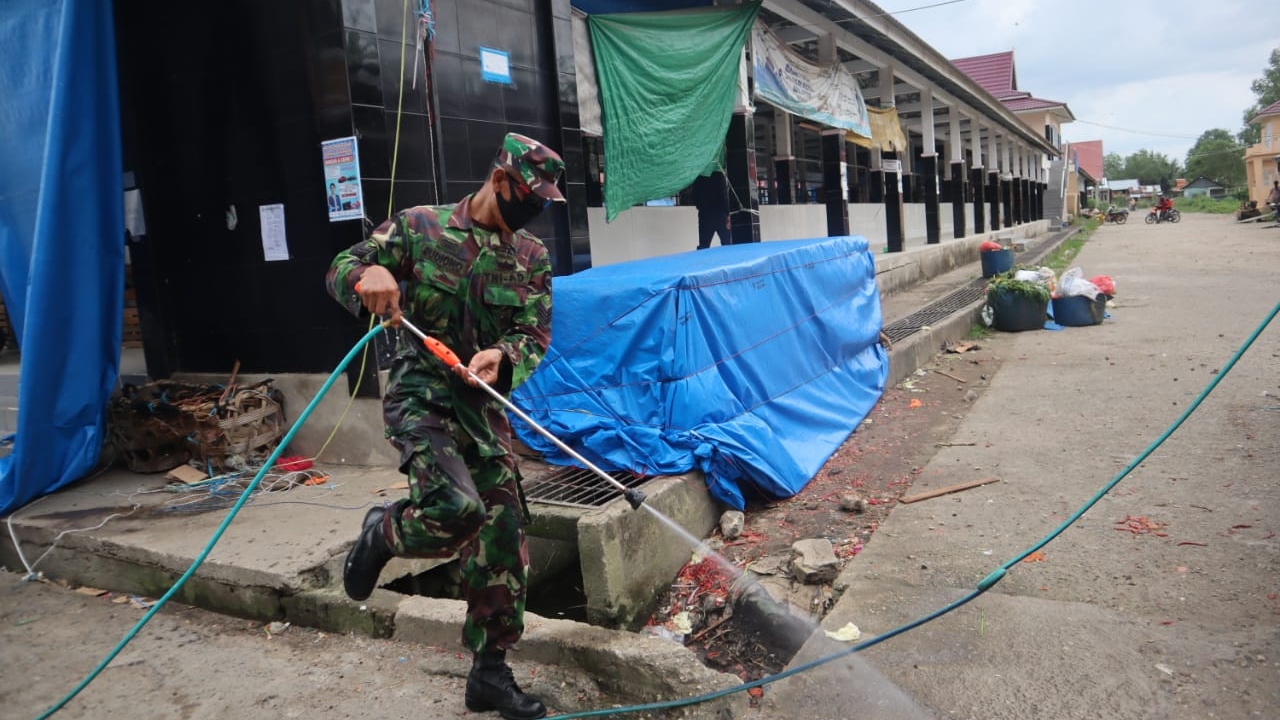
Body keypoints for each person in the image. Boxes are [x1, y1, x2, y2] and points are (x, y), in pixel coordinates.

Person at [325, 133, 564, 720]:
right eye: (529, 197)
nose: (532, 212)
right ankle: (385, 534)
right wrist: (369, 277)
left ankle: (489, 675)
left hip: (479, 403)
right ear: (501, 180)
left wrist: (503, 358)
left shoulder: (530, 256)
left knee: (503, 531)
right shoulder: (420, 227)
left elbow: (533, 334)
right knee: (457, 508)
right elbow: (342, 266)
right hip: (419, 392)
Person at [692, 169, 731, 249]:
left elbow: (695, 197)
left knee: (704, 245)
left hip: (704, 214)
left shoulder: (698, 176)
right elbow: (723, 196)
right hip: (720, 214)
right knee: (727, 244)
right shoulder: (719, 175)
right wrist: (728, 214)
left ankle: (701, 261)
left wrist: (701, 207)